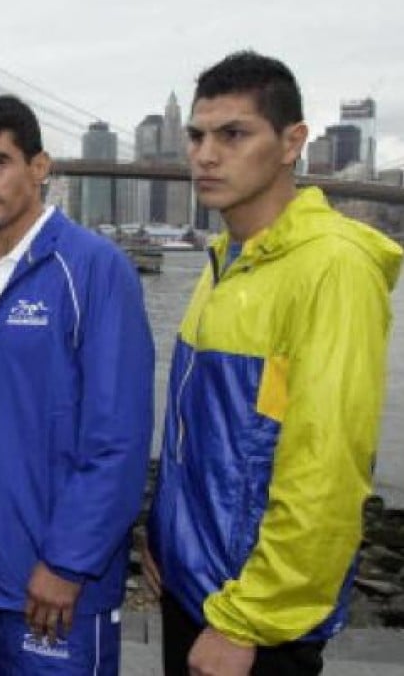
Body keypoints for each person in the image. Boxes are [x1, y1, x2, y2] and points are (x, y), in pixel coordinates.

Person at [143, 51, 403, 676]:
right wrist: (163, 535)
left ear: (292, 143)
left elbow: (326, 470)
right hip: (191, 589)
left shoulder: (332, 269)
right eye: (198, 135)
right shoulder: (225, 260)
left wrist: (246, 621)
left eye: (234, 134)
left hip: (252, 627)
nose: (206, 155)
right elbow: (199, 434)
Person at [0, 95, 155, 675]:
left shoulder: (93, 267)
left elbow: (119, 438)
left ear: (40, 166)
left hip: (60, 582)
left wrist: (67, 563)